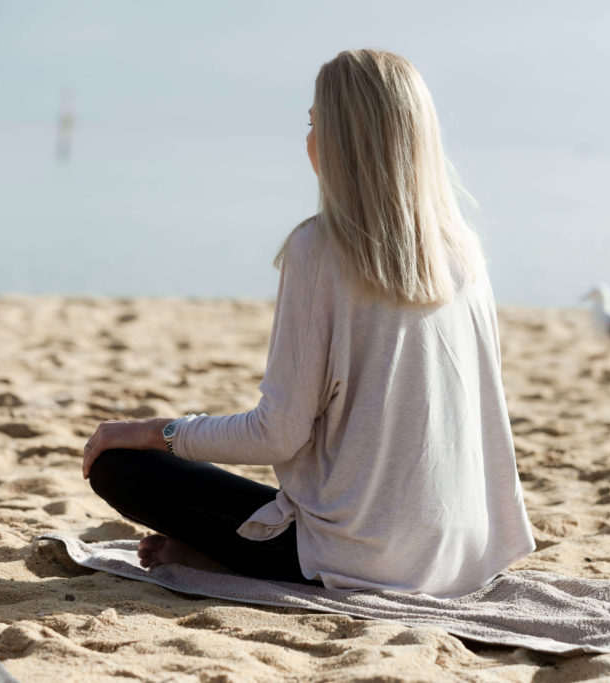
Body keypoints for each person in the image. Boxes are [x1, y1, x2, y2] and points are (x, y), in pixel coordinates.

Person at [81, 49, 535, 598]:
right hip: (462, 554)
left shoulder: (319, 248)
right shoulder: (464, 252)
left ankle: (217, 557)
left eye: (316, 123)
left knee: (121, 467)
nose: (308, 140)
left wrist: (154, 431)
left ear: (343, 140)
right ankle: (211, 551)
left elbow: (277, 433)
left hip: (360, 557)